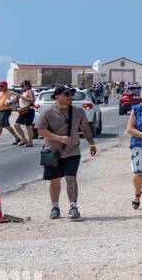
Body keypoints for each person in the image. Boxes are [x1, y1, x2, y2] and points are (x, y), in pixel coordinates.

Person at [34, 85, 97, 220]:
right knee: (55, 180)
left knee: (71, 177)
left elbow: (85, 128)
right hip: (53, 151)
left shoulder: (78, 111)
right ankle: (55, 207)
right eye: (66, 94)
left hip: (73, 150)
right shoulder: (47, 112)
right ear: (57, 97)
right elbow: (40, 131)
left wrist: (91, 143)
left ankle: (73, 206)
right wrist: (59, 138)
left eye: (71, 94)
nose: (70, 97)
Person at [13, 81, 37, 147]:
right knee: (16, 125)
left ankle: (31, 142)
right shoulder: (24, 92)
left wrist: (21, 96)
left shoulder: (30, 91)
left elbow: (32, 100)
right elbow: (21, 102)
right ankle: (24, 140)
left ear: (27, 85)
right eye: (21, 86)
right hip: (23, 111)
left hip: (29, 110)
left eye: (22, 86)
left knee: (28, 126)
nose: (22, 87)